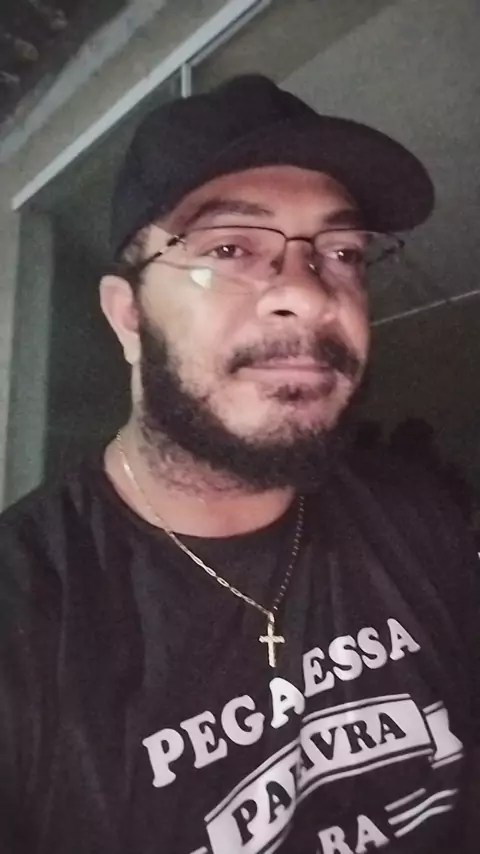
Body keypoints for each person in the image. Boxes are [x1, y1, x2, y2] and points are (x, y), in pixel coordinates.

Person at [0, 75, 478, 854]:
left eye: (342, 252)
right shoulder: (24, 625)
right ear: (128, 316)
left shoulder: (417, 516)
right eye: (230, 249)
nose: (309, 297)